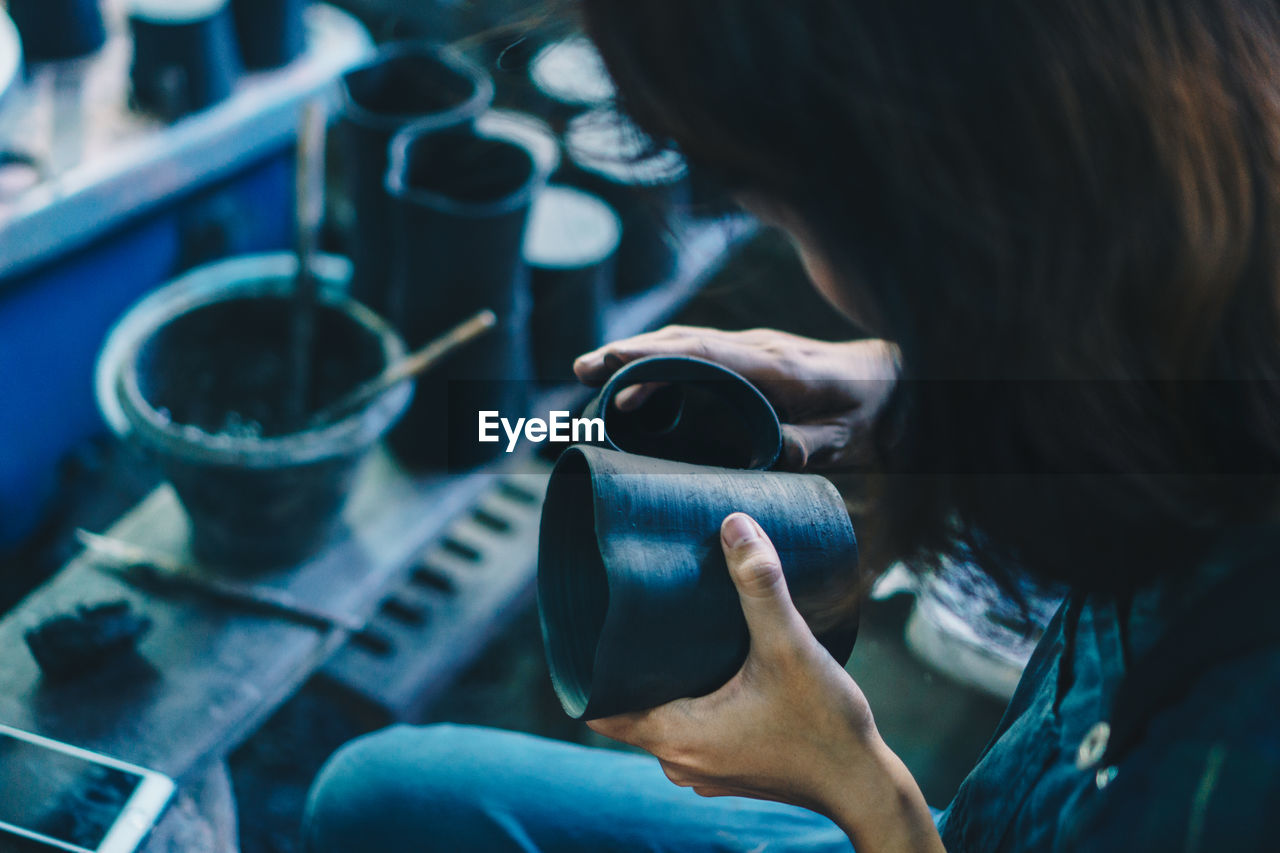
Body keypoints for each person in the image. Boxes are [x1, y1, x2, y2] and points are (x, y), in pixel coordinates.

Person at [302, 1, 1280, 850]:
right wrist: (908, 388)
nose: (823, 283)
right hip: (1006, 811)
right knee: (381, 795)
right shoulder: (1222, 270)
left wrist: (854, 787)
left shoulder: (1232, 762)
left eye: (795, 218)